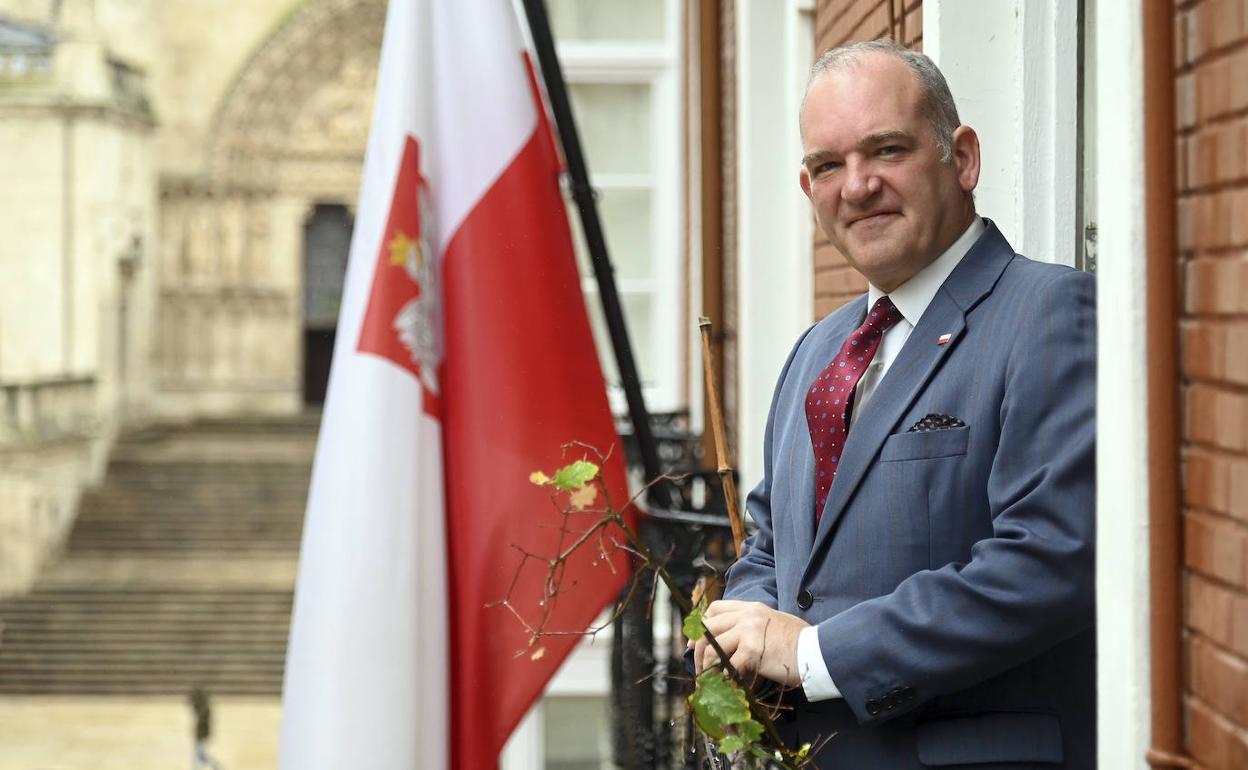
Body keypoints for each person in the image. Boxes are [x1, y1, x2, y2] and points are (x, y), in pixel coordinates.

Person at [692, 39, 1096, 768]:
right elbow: (774, 543)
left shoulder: (1050, 313)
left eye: (886, 150)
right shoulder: (816, 351)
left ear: (962, 158)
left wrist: (812, 654)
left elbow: (1048, 560)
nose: (856, 186)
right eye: (827, 165)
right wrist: (738, 633)